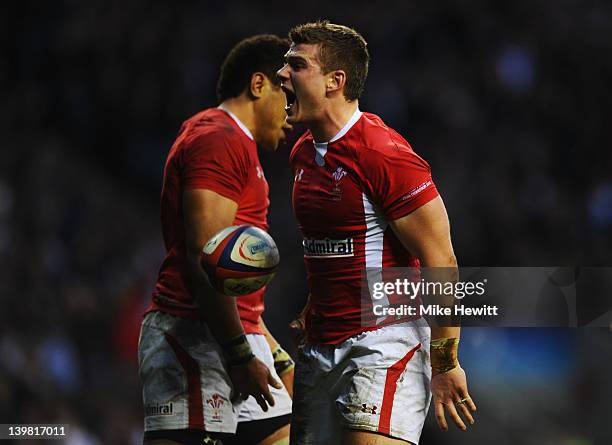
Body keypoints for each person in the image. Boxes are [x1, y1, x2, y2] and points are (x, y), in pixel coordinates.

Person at [277, 21, 477, 445]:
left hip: (384, 344)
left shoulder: (384, 155)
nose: (282, 75)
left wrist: (444, 361)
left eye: (296, 65)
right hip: (320, 347)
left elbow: (442, 260)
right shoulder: (302, 154)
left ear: (335, 81)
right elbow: (335, 246)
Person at [138, 35, 295, 445]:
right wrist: (239, 354)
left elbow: (235, 280)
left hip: (234, 335)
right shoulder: (218, 139)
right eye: (287, 96)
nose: (292, 114)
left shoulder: (240, 148)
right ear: (259, 85)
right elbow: (206, 258)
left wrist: (273, 353)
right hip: (194, 337)